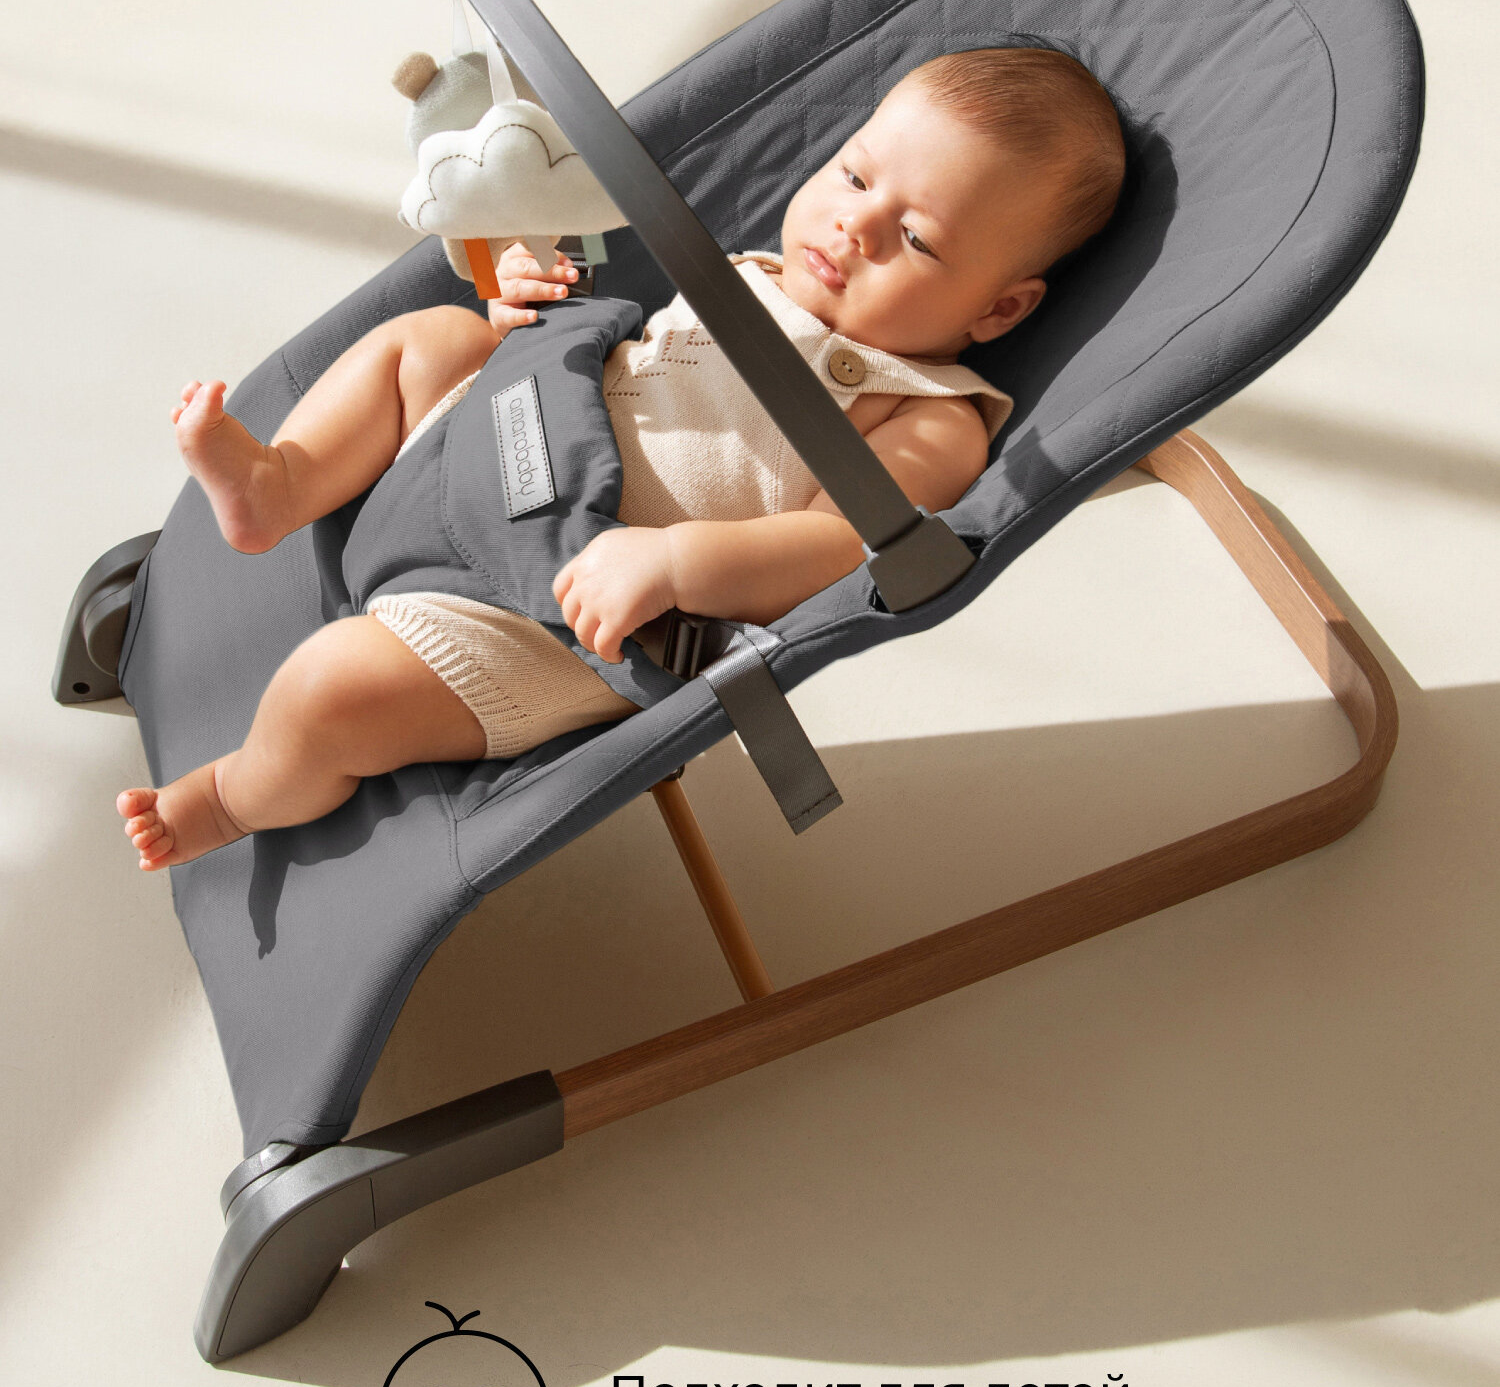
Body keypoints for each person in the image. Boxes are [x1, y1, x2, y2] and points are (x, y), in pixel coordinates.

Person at [118, 48, 1124, 869]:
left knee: (328, 691)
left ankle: (235, 794)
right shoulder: (754, 274)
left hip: (548, 617)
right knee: (433, 339)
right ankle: (278, 483)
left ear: (1001, 308)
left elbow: (843, 548)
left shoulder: (931, 416)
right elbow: (626, 360)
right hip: (494, 444)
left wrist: (678, 562)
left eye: (915, 237)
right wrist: (526, 311)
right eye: (855, 176)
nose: (854, 225)